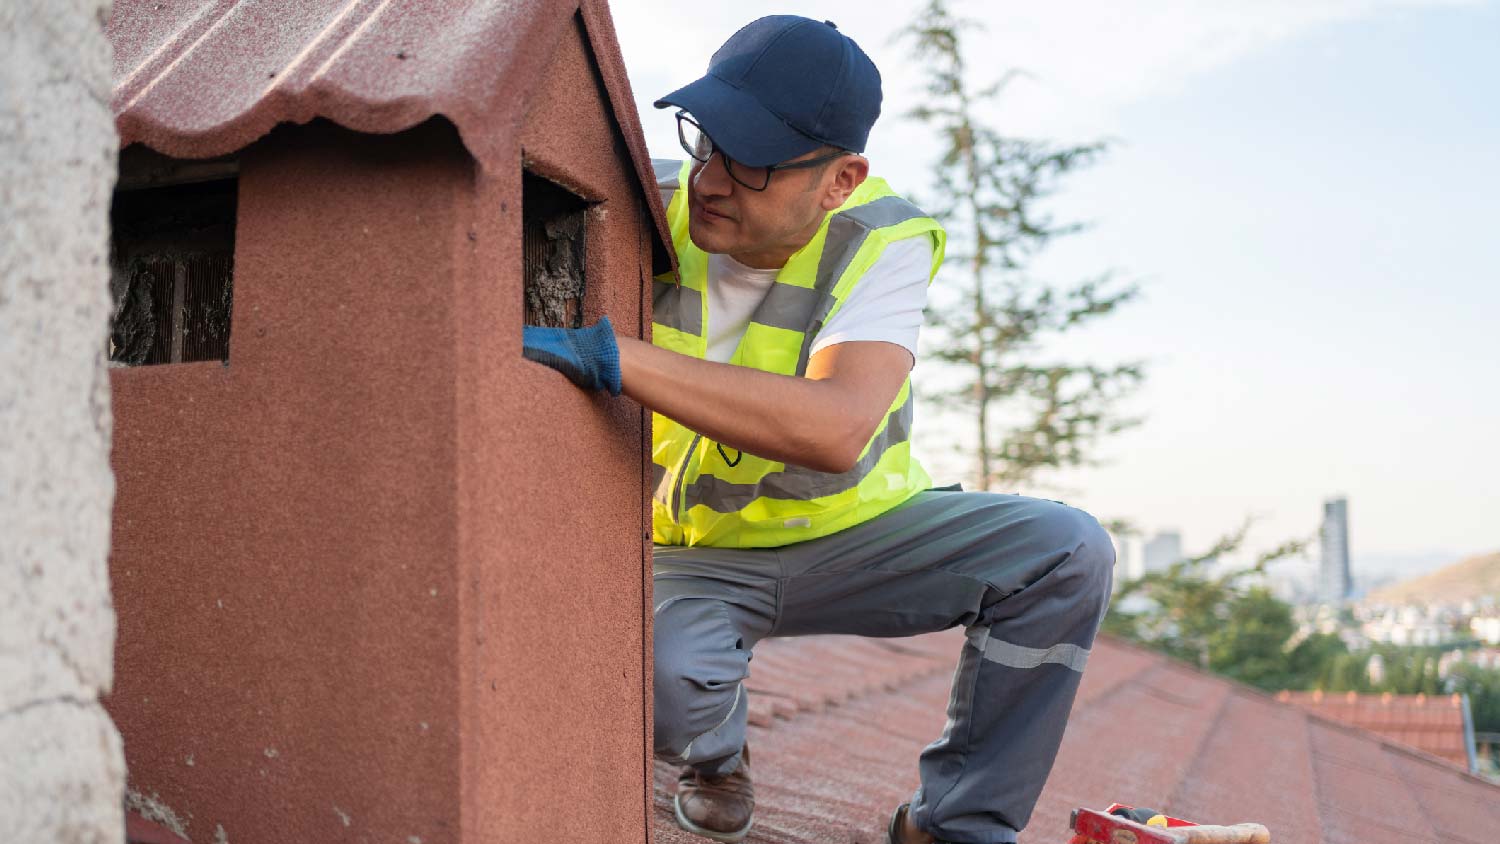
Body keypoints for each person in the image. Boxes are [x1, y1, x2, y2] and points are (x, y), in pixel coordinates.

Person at [521, 15, 1114, 844]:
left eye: (756, 161)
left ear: (841, 180)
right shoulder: (637, 207)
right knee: (653, 682)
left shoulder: (884, 238)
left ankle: (953, 826)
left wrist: (616, 359)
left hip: (855, 536)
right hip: (697, 555)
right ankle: (717, 749)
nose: (715, 180)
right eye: (707, 140)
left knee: (1066, 550)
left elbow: (837, 428)